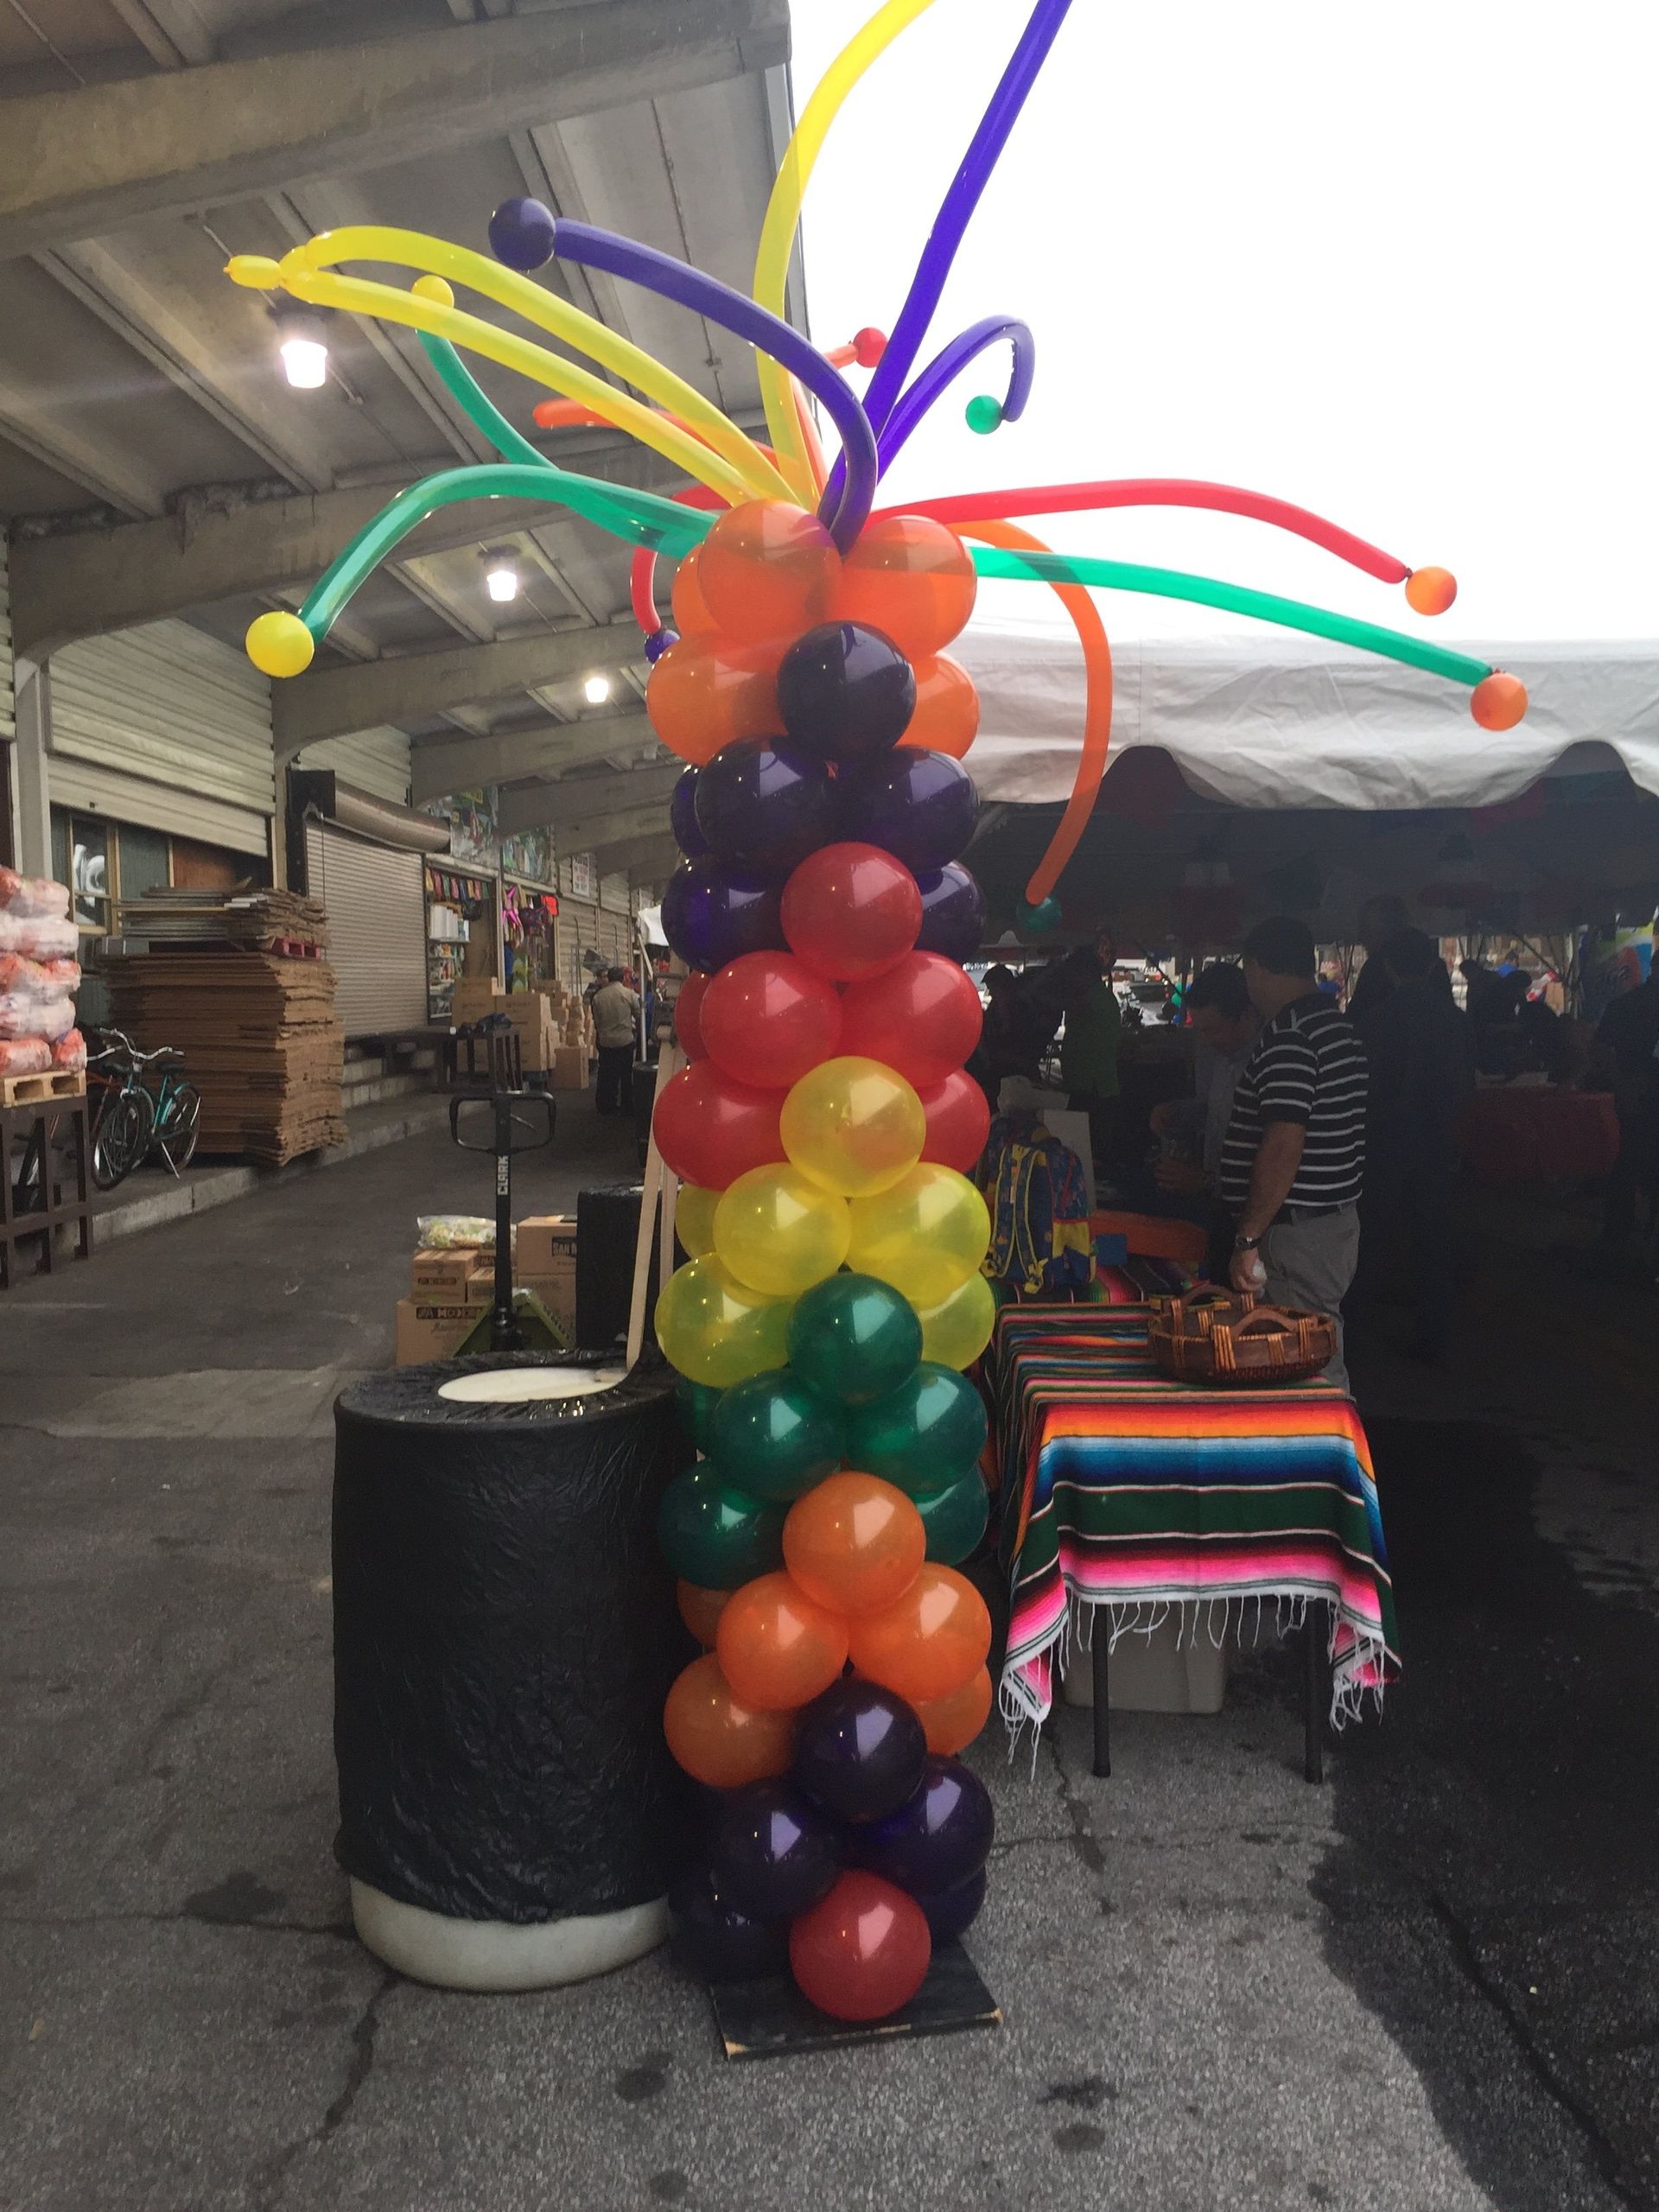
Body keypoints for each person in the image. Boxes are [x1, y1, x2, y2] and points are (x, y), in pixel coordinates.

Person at [1220, 917, 1368, 1389]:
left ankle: (1330, 1457)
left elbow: (1284, 1142)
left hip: (1298, 1234)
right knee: (1314, 1344)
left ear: (1259, 968)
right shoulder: (1335, 1025)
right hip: (1330, 1223)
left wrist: (1248, 1238)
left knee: (1304, 1357)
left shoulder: (1291, 1033)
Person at [1351, 928, 1473, 1359]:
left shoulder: (1373, 1022)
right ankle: (1435, 1334)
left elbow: (1362, 1089)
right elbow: (1463, 1088)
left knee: (1366, 1239)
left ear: (1386, 968)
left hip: (1381, 1140)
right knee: (1433, 1240)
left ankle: (1351, 1335)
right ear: (1431, 965)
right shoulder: (1455, 1021)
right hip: (1436, 1140)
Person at [1595, 968, 1659, 1249]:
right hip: (1640, 1092)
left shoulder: (1624, 1004)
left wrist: (1619, 1083)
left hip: (1633, 1094)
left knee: (1629, 1159)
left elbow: (1599, 1048)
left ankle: (1619, 1231)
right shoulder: (1628, 1004)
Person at [1059, 931, 1122, 1166]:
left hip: (1093, 1089)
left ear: (1084, 974)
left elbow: (1050, 1000)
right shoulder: (1103, 997)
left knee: (1088, 1156)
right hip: (1095, 1086)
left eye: (1073, 974)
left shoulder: (1089, 999)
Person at [591, 966, 640, 1116]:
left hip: (606, 1042)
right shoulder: (629, 994)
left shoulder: (598, 997)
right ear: (622, 978)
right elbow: (638, 1014)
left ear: (609, 978)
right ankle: (627, 1106)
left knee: (606, 1075)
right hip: (625, 1041)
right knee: (626, 1075)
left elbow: (597, 1022)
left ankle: (606, 1106)